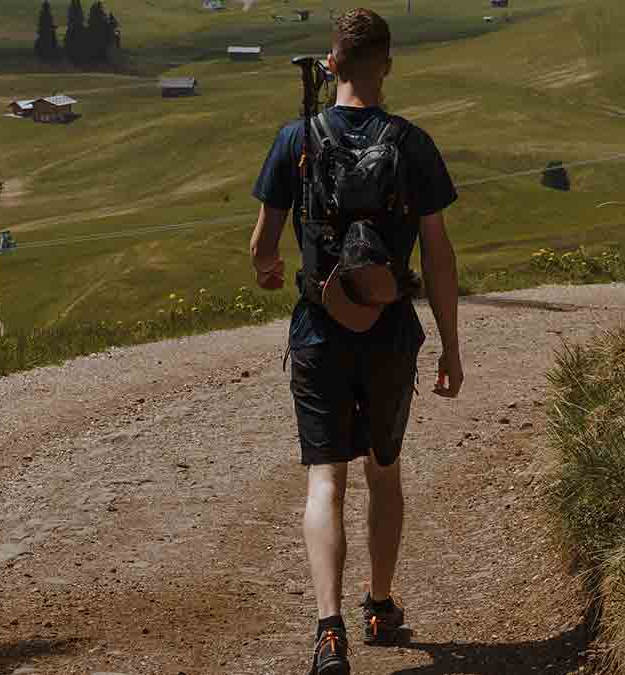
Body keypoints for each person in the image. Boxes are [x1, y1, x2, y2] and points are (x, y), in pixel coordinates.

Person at [249, 8, 463, 674]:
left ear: (332, 62)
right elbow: (439, 254)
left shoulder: (295, 139)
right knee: (384, 470)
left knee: (325, 479)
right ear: (387, 65)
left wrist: (270, 268)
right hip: (392, 331)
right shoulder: (414, 144)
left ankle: (329, 629)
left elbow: (260, 245)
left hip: (318, 328)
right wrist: (452, 347)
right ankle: (379, 601)